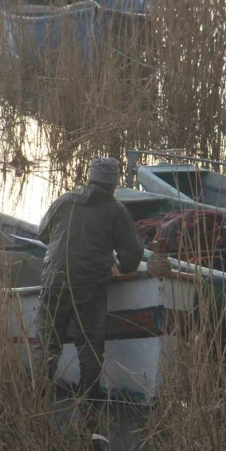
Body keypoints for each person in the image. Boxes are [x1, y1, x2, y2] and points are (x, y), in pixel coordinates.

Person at [32, 157, 144, 400]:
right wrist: (120, 268)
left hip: (54, 280)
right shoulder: (117, 211)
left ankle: (36, 403)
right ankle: (89, 405)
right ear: (113, 186)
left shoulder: (64, 201)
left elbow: (42, 234)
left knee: (47, 345)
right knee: (90, 347)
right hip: (90, 286)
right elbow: (133, 256)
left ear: (90, 179)